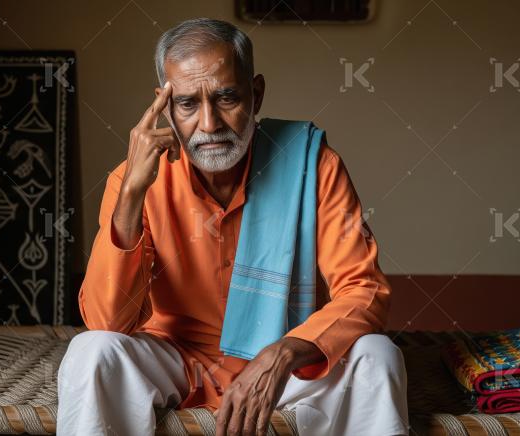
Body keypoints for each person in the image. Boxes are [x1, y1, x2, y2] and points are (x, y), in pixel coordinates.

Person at [58, 18, 409, 436]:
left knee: (378, 355)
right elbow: (106, 322)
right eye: (187, 104)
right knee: (92, 350)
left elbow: (365, 291)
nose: (209, 124)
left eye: (226, 98)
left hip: (287, 368)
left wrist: (283, 353)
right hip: (177, 362)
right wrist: (132, 194)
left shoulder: (313, 165)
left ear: (256, 94)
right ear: (165, 106)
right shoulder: (133, 181)